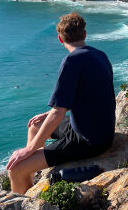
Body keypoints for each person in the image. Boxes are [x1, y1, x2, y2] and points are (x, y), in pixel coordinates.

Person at [7, 12, 116, 194]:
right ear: (85, 34)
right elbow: (89, 97)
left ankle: (24, 192)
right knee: (35, 125)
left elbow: (58, 112)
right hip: (100, 131)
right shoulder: (100, 55)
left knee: (15, 168)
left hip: (87, 140)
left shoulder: (71, 61)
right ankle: (34, 175)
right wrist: (48, 114)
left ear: (60, 39)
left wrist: (28, 150)